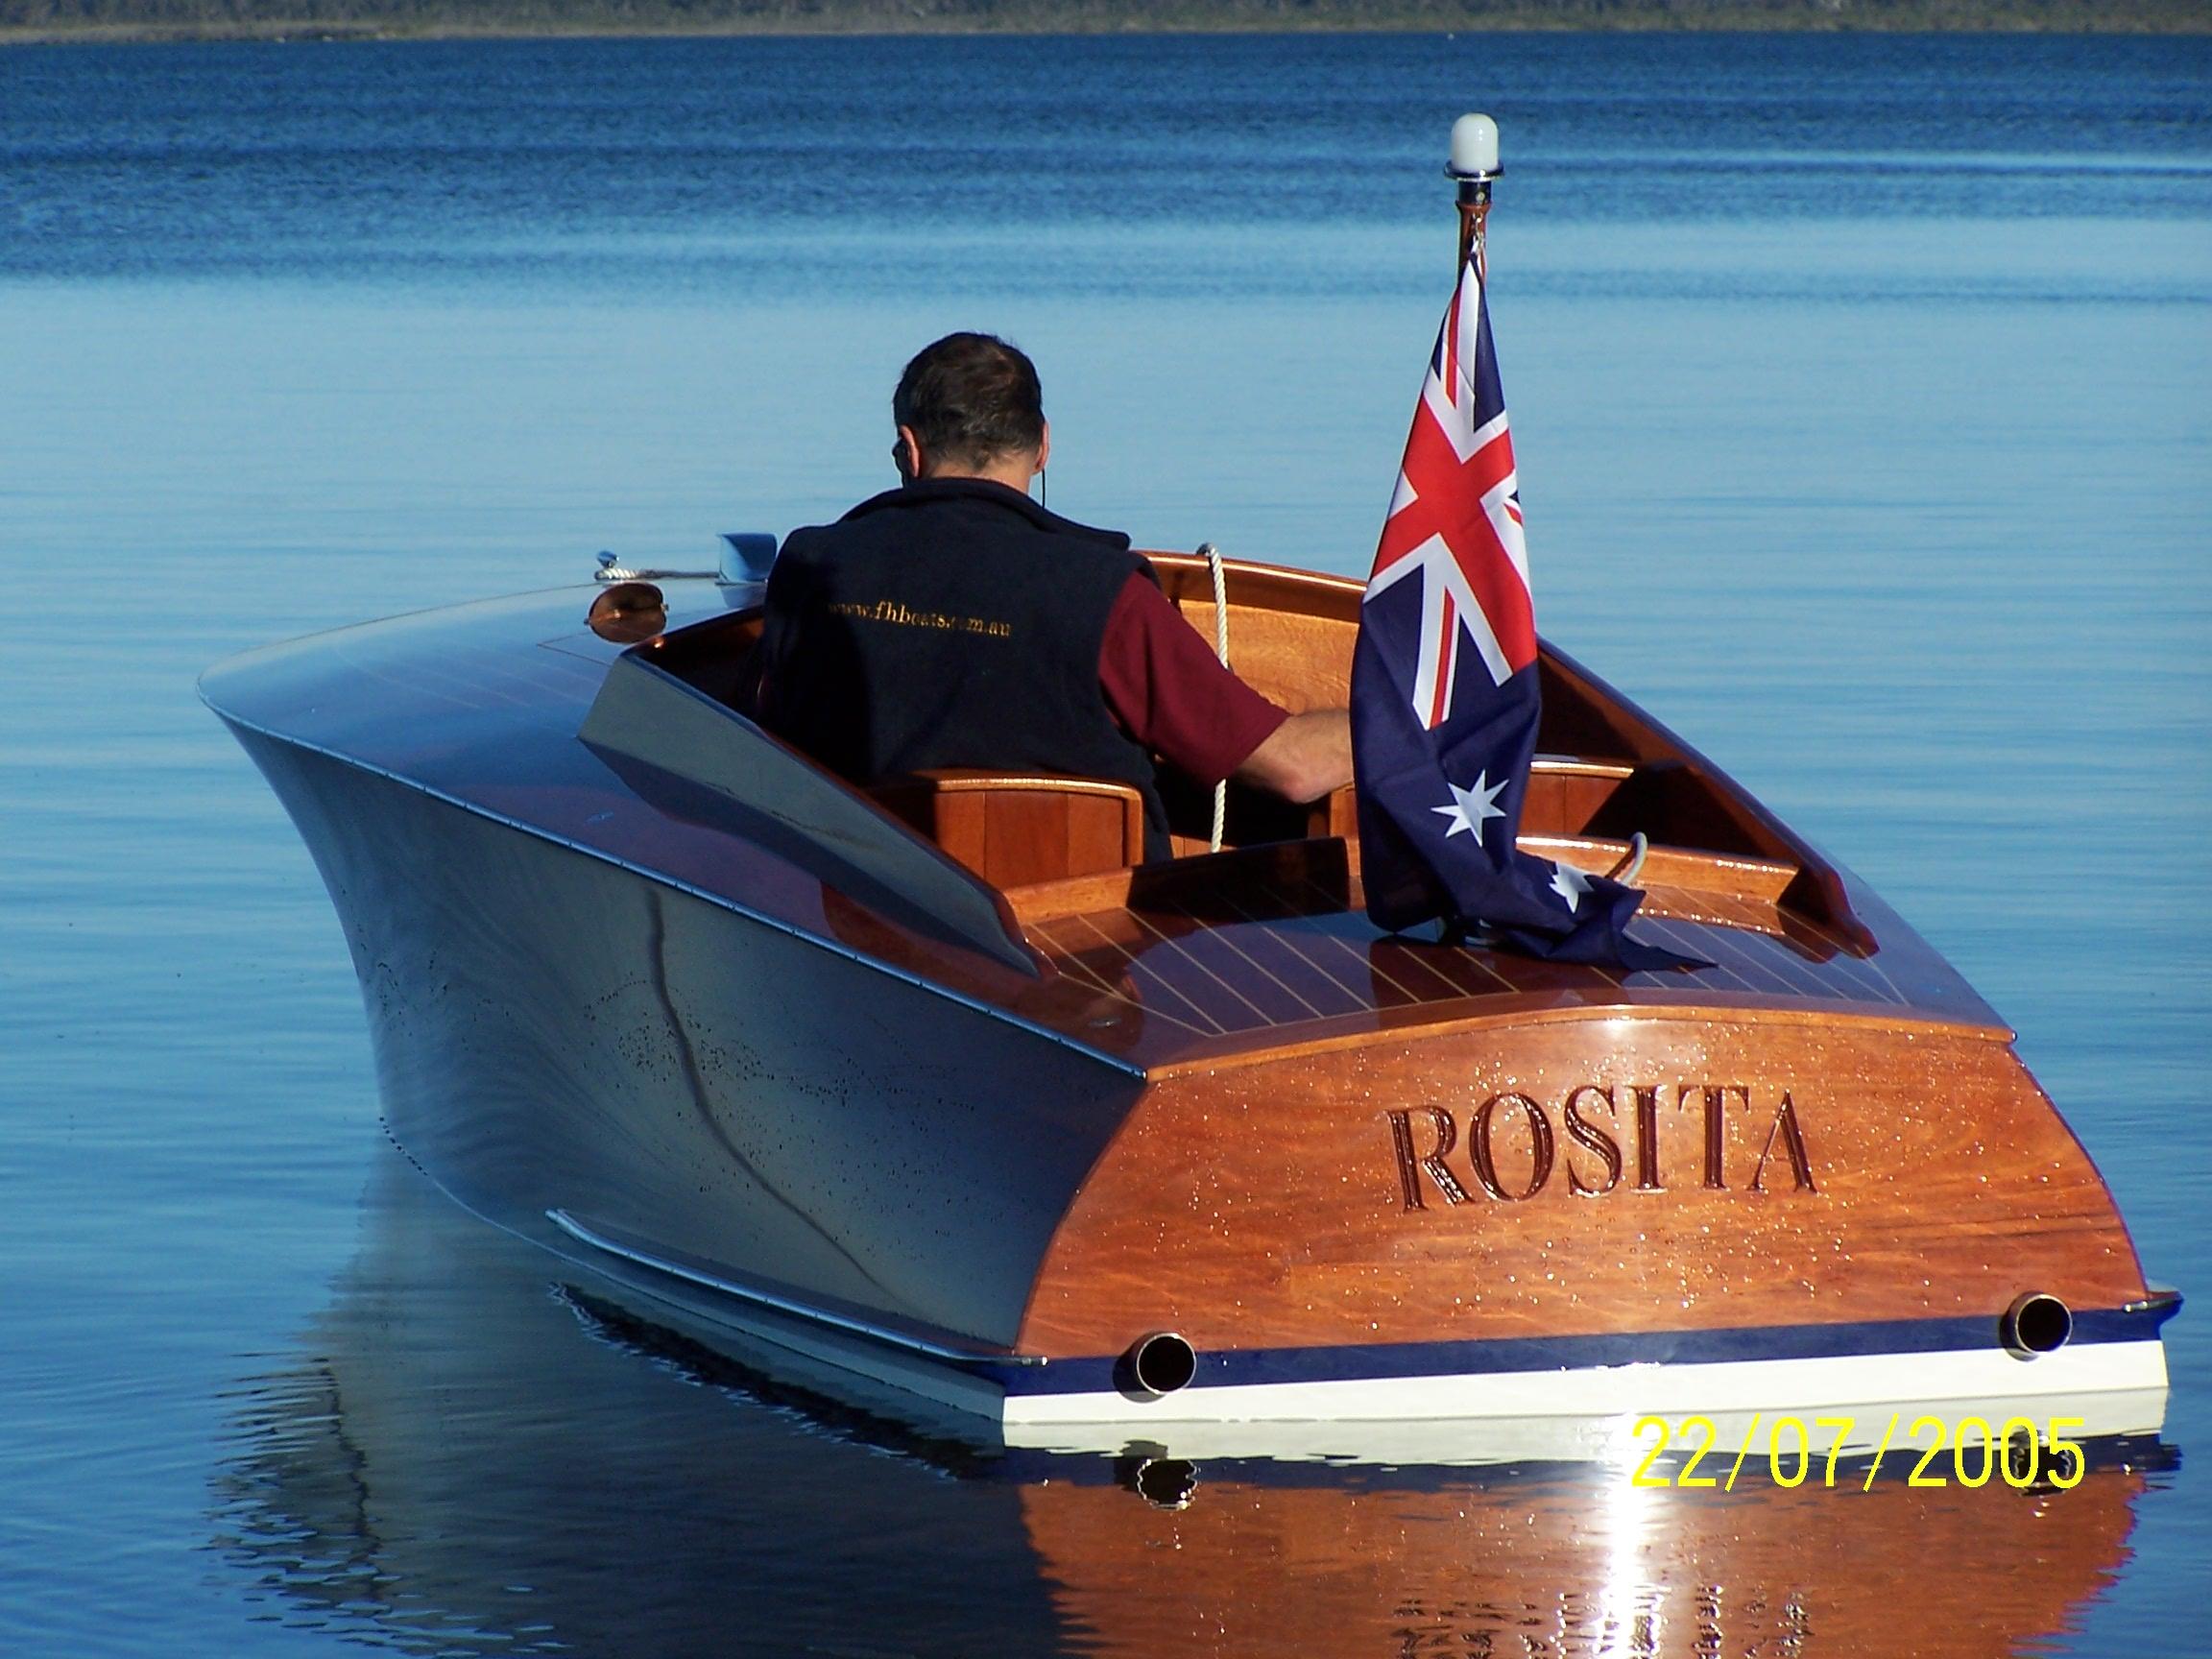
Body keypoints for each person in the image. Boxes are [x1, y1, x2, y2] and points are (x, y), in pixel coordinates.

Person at [753, 331, 1352, 860]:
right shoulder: (1106, 594)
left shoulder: (811, 567)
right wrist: (1429, 724)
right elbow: (1293, 769)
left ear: (908, 450)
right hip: (1089, 948)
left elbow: (763, 742)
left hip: (870, 918)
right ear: (1042, 448)